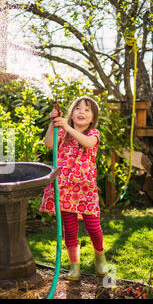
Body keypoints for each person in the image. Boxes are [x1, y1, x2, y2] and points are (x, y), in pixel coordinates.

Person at [39, 96, 108, 281]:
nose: (81, 112)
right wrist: (52, 124)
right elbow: (48, 144)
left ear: (93, 117)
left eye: (87, 109)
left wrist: (67, 127)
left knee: (93, 227)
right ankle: (74, 266)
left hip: (85, 191)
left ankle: (99, 255)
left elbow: (88, 143)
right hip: (65, 190)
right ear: (71, 113)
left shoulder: (93, 133)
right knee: (69, 230)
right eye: (77, 108)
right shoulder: (62, 133)